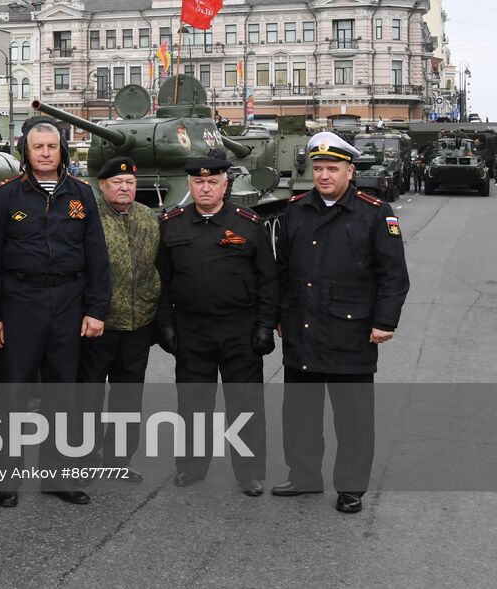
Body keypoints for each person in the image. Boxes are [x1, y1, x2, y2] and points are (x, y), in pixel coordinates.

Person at [271, 132, 410, 514]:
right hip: (302, 328)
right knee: (300, 413)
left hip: (351, 330)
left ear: (350, 170)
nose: (324, 176)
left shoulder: (374, 212)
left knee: (353, 417)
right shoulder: (296, 210)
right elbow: (282, 270)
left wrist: (385, 321)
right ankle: (303, 476)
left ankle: (351, 487)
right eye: (318, 169)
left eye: (333, 168)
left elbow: (394, 275)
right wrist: (281, 315)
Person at [0, 117, 110, 508]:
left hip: (69, 303)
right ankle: (9, 477)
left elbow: (97, 256)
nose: (45, 153)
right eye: (38, 147)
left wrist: (96, 309)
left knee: (62, 394)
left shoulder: (82, 194)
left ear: (62, 150)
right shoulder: (7, 195)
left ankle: (57, 477)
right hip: (21, 303)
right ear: (26, 150)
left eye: (51, 147)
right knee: (14, 394)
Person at [155, 151, 277, 495]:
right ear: (190, 185)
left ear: (226, 184)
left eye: (212, 182)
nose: (205, 188)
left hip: (240, 327)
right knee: (193, 403)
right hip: (191, 328)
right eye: (198, 182)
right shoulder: (172, 223)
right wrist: (165, 323)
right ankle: (192, 467)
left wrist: (266, 324)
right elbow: (162, 280)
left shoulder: (248, 223)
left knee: (245, 403)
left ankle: (249, 472)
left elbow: (268, 279)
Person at [77, 158, 161, 481]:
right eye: (117, 182)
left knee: (128, 397)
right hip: (98, 324)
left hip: (138, 324)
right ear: (102, 185)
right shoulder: (89, 217)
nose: (124, 188)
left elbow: (158, 266)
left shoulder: (149, 218)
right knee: (90, 396)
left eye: (129, 182)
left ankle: (118, 461)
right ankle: (85, 458)